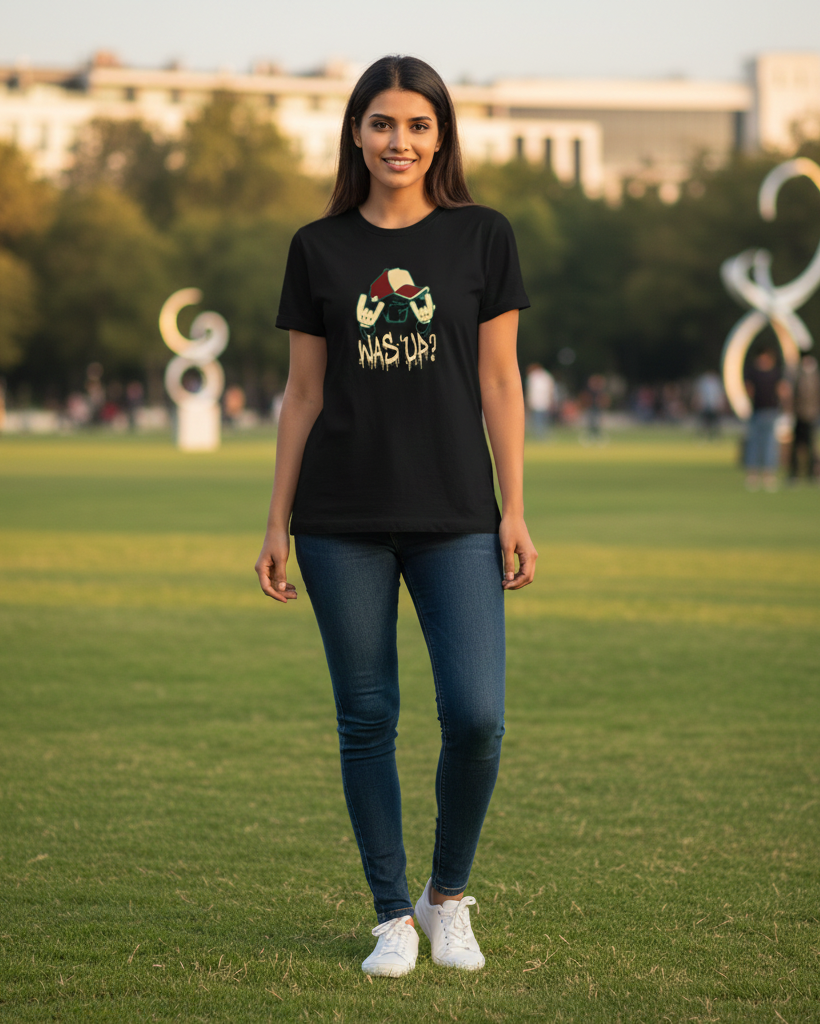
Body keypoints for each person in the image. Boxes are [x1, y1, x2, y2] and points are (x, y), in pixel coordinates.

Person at [254, 55, 537, 979]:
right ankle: (390, 916)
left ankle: (445, 898)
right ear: (355, 132)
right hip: (338, 519)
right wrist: (276, 521)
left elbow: (501, 383)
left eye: (417, 124)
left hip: (457, 514)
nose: (399, 141)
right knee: (366, 719)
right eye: (382, 123)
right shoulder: (318, 247)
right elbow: (302, 395)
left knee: (478, 716)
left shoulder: (483, 237)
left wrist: (515, 509)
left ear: (441, 135)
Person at [744, 346, 786, 491]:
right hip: (757, 411)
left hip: (771, 411)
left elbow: (782, 389)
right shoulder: (753, 372)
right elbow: (749, 389)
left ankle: (769, 475)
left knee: (770, 445)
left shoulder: (776, 373)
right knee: (754, 444)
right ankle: (753, 475)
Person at [789, 353, 820, 482]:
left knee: (811, 446)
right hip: (800, 415)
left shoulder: (815, 377)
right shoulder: (798, 375)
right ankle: (794, 473)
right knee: (797, 445)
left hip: (811, 415)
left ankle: (812, 473)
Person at [525, 363, 554, 436]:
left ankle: (541, 434)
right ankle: (540, 434)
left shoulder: (533, 377)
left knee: (540, 419)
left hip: (540, 401)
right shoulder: (545, 376)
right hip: (540, 401)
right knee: (540, 419)